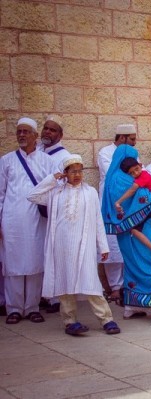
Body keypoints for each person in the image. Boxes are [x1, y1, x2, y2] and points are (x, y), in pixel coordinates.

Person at [27, 155, 121, 335]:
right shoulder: (56, 193)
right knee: (65, 283)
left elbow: (97, 220)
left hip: (84, 245)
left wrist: (103, 246)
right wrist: (53, 179)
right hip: (61, 246)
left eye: (80, 171)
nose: (77, 175)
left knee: (91, 281)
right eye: (73, 171)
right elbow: (32, 196)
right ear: (65, 173)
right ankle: (70, 322)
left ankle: (106, 319)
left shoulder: (90, 192)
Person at [102, 144, 151, 326]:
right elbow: (146, 198)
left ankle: (131, 306)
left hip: (123, 232)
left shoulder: (112, 180)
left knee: (132, 264)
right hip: (145, 226)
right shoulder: (127, 180)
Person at [0, 117, 54, 324]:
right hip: (12, 219)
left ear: (35, 136)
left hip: (36, 219)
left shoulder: (47, 161)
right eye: (19, 132)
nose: (21, 135)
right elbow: (1, 193)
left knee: (35, 261)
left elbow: (53, 190)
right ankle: (13, 308)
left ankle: (32, 307)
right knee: (12, 263)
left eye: (25, 132)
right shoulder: (6, 161)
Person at [97, 124, 137, 303]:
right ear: (122, 138)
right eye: (132, 139)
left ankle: (128, 285)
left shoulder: (131, 153)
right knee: (112, 246)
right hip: (111, 205)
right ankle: (114, 287)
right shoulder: (105, 153)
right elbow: (118, 173)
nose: (135, 142)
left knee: (130, 243)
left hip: (128, 203)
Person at [37, 115, 71, 313]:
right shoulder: (36, 152)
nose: (48, 132)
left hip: (53, 211)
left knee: (55, 252)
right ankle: (43, 294)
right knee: (40, 252)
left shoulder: (63, 156)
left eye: (52, 130)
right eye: (46, 128)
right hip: (35, 210)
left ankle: (57, 298)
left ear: (60, 135)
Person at [115, 157, 151, 267]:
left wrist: (118, 202)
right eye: (132, 173)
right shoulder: (142, 175)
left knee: (134, 229)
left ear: (141, 165)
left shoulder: (144, 175)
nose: (135, 173)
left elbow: (133, 190)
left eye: (136, 169)